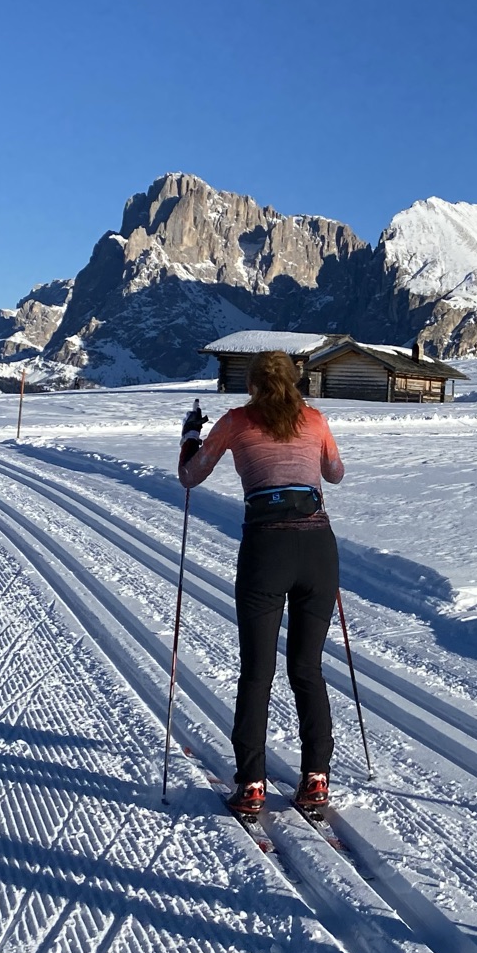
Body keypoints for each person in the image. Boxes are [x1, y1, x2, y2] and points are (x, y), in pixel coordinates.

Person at [179, 350, 346, 820]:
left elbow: (191, 476)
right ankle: (316, 778)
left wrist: (190, 437)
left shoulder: (236, 421)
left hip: (265, 549)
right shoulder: (314, 419)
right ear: (295, 382)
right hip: (318, 549)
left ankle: (251, 783)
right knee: (307, 668)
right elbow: (335, 474)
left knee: (257, 671)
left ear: (251, 384)